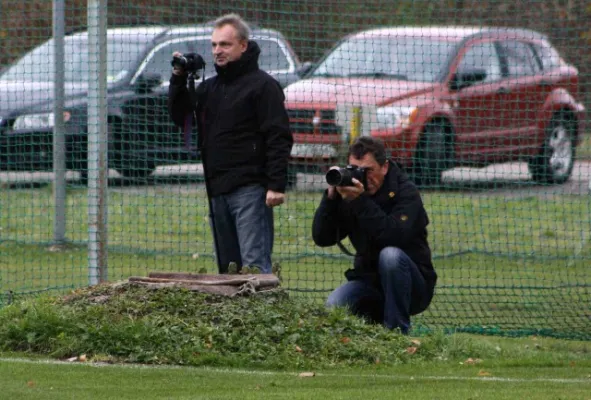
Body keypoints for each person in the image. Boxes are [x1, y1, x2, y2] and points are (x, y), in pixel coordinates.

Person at [168, 14, 293, 274]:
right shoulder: (209, 88)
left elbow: (278, 136)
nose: (217, 51)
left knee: (254, 268)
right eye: (214, 45)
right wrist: (179, 78)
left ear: (243, 45)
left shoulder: (264, 86)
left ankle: (261, 312)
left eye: (225, 45)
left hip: (250, 189)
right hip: (217, 189)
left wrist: (275, 185)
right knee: (228, 270)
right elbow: (179, 116)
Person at [312, 137, 436, 334]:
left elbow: (393, 236)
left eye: (368, 170)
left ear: (384, 167)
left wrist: (360, 202)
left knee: (390, 256)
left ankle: (396, 336)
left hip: (412, 285)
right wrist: (330, 199)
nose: (362, 176)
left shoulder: (406, 192)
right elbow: (322, 238)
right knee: (335, 304)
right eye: (355, 169)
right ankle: (361, 340)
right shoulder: (350, 194)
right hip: (369, 281)